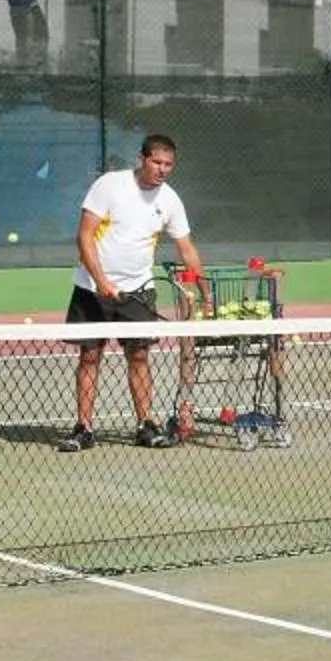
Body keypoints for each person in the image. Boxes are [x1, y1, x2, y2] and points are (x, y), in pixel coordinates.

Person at [62, 133, 203, 452]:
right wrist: (100, 280)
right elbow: (84, 236)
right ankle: (84, 428)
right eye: (156, 162)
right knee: (90, 356)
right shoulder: (110, 186)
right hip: (91, 288)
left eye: (168, 164)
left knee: (139, 355)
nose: (162, 169)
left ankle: (145, 425)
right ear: (142, 159)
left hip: (139, 290)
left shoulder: (170, 200)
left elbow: (187, 248)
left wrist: (204, 290)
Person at [0, 0, 48, 67]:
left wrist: (29, 37)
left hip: (32, 34)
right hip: (28, 33)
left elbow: (29, 16)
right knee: (32, 57)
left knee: (31, 58)